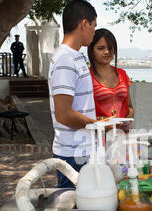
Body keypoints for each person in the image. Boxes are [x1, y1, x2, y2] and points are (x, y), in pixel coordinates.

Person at [48, 0, 97, 188]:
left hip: (83, 150)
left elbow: (79, 107)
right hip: (73, 154)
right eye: (93, 26)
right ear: (84, 24)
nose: (94, 32)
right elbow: (63, 114)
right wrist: (99, 126)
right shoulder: (65, 60)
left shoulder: (75, 57)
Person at [87, 28, 134, 132]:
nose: (107, 52)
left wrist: (127, 120)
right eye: (101, 48)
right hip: (97, 138)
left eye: (110, 48)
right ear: (91, 50)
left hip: (121, 136)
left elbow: (130, 107)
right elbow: (82, 113)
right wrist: (103, 121)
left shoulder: (122, 74)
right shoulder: (86, 77)